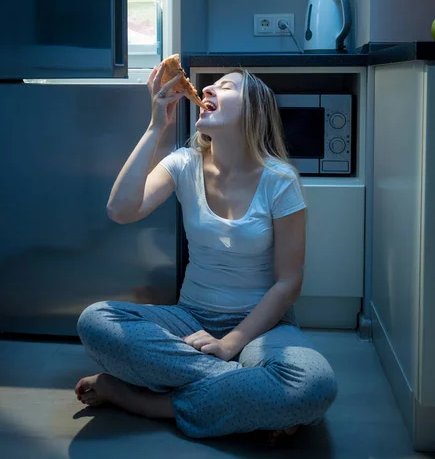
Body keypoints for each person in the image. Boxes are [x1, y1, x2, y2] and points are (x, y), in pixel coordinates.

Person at [74, 63, 338, 446]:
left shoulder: (279, 181)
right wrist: (155, 126)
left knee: (314, 384)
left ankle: (147, 403)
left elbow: (288, 282)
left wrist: (231, 342)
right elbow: (120, 210)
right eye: (209, 85)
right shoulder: (184, 163)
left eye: (226, 87)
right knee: (95, 321)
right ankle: (255, 395)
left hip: (262, 328)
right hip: (190, 319)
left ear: (253, 111)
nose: (208, 89)